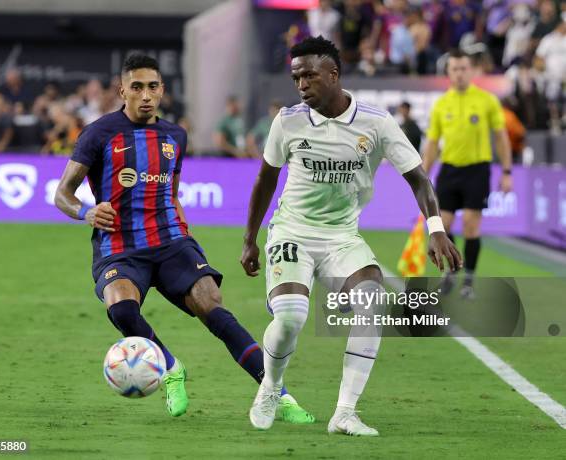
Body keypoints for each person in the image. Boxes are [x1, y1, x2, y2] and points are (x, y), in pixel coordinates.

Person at [54, 54, 313, 424]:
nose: (146, 95)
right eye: (138, 87)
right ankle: (171, 367)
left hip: (171, 241)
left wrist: (185, 233)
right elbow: (62, 193)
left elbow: (170, 192)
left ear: (162, 90)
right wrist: (86, 212)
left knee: (215, 310)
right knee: (122, 308)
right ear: (122, 90)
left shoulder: (175, 135)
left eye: (153, 87)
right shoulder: (99, 133)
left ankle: (278, 395)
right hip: (120, 247)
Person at [240, 36, 461, 436]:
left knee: (372, 305)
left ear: (334, 74)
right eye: (296, 78)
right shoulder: (288, 121)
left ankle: (344, 413)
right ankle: (270, 387)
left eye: (309, 76)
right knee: (291, 318)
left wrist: (437, 229)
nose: (302, 85)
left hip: (342, 237)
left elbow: (419, 178)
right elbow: (265, 180)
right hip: (292, 231)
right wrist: (250, 239)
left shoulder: (375, 123)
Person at [422, 49, 512, 300]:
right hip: (449, 170)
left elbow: (501, 138)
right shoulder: (441, 104)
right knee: (444, 226)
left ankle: (468, 281)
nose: (460, 73)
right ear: (448, 72)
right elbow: (432, 142)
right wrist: (422, 175)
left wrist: (506, 171)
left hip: (477, 171)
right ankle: (450, 273)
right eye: (455, 69)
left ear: (471, 70)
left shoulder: (487, 100)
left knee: (471, 228)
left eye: (464, 68)